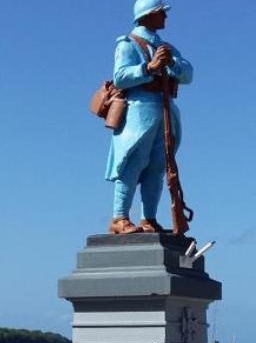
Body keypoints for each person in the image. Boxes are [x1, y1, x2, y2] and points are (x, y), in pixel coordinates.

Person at [106, 0, 192, 235]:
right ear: (147, 15)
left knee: (157, 166)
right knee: (133, 163)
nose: (164, 17)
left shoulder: (166, 46)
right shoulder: (128, 44)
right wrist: (149, 67)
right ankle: (120, 217)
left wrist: (172, 62)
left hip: (164, 109)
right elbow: (121, 77)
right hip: (139, 110)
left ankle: (149, 219)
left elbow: (188, 75)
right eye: (160, 13)